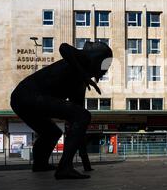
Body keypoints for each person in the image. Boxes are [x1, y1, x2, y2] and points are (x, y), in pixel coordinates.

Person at [10, 41, 112, 179]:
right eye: (106, 64)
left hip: (20, 98)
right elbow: (64, 48)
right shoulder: (81, 59)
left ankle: (40, 164)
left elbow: (79, 124)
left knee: (52, 132)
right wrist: (83, 74)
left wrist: (85, 160)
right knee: (82, 116)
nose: (106, 69)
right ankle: (64, 168)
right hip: (28, 95)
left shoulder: (80, 83)